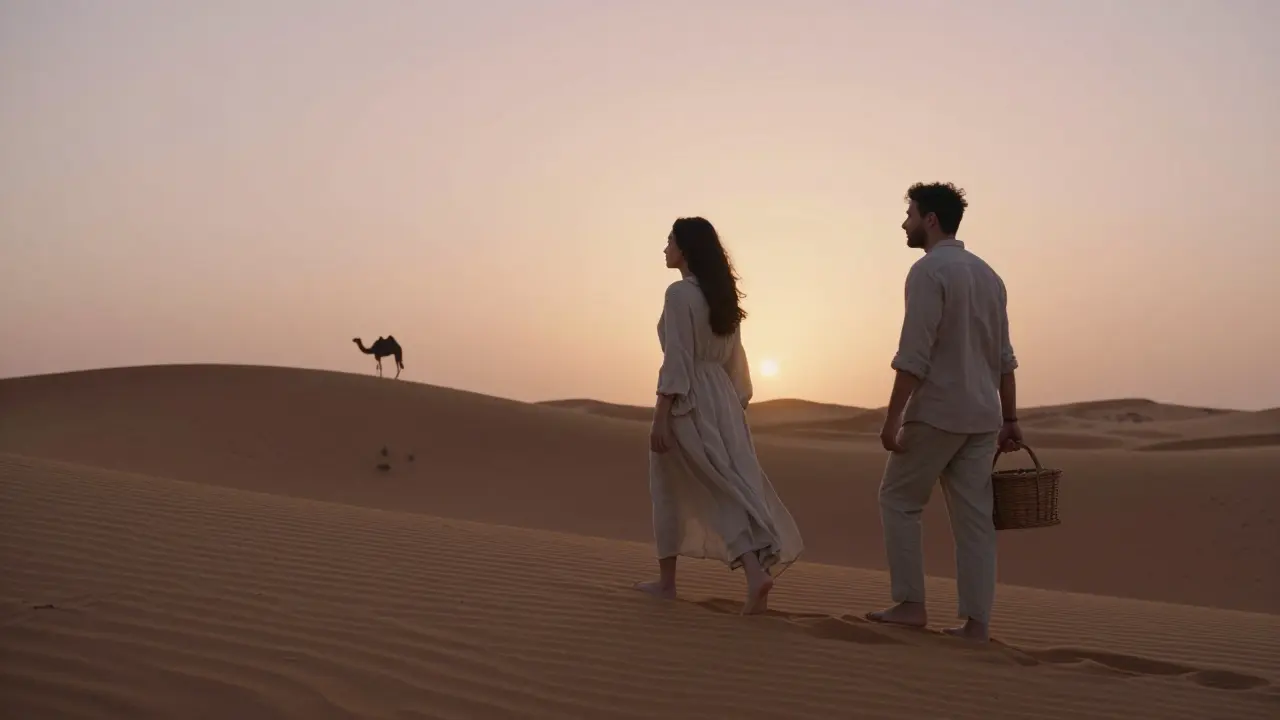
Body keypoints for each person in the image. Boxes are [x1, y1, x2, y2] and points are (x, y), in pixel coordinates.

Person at [865, 182, 1022, 642]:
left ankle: (910, 604)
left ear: (930, 220)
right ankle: (977, 623)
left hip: (937, 411)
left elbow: (914, 354)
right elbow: (1005, 358)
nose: (904, 223)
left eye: (910, 214)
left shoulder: (928, 271)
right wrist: (1010, 418)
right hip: (983, 417)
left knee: (898, 500)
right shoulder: (990, 276)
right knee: (975, 522)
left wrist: (892, 419)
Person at [635, 216, 804, 614]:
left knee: (678, 485)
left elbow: (677, 358)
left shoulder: (679, 294)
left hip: (689, 398)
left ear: (685, 249)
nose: (665, 248)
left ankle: (680, 582)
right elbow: (736, 364)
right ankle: (751, 571)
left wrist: (662, 414)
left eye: (670, 241)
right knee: (729, 483)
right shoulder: (721, 296)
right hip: (722, 400)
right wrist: (730, 405)